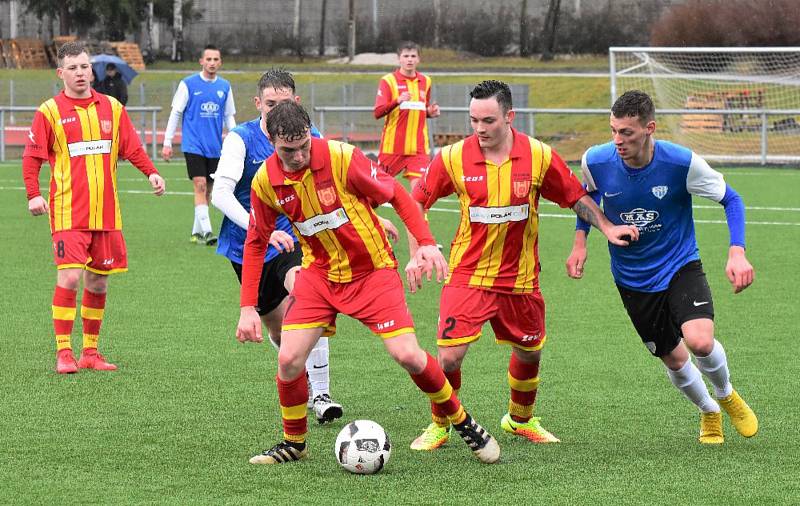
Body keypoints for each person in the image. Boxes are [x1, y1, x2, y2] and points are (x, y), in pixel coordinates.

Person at [235, 101, 500, 465]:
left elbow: (398, 195)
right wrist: (247, 307)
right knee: (289, 359)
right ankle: (294, 444)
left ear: (311, 134)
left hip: (372, 271)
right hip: (320, 276)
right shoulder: (266, 181)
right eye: (287, 150)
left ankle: (461, 419)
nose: (298, 156)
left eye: (303, 147)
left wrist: (424, 242)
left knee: (406, 354)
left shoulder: (342, 158)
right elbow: (255, 241)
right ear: (270, 140)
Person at [406, 80, 638, 450]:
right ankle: (441, 423)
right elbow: (415, 201)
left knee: (530, 351)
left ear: (509, 117)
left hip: (521, 279)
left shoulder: (539, 156)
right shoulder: (452, 158)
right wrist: (420, 246)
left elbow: (574, 196)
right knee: (448, 357)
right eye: (473, 121)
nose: (479, 129)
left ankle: (520, 419)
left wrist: (607, 227)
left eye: (488, 121)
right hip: (468, 275)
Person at [565, 90, 758, 444]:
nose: (618, 141)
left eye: (627, 133)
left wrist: (737, 251)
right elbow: (587, 196)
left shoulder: (681, 163)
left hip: (679, 263)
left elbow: (732, 198)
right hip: (632, 277)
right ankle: (708, 411)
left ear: (650, 128)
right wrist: (581, 242)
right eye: (613, 131)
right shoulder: (595, 160)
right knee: (672, 357)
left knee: (700, 341)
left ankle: (726, 394)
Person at [212, 69, 365, 424]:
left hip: (297, 237)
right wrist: (259, 229)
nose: (277, 111)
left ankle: (322, 394)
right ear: (257, 104)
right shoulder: (241, 139)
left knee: (306, 295)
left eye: (284, 103)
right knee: (277, 328)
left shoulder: (309, 136)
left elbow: (336, 182)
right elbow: (220, 193)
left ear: (296, 102)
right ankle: (302, 378)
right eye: (270, 104)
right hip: (247, 244)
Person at [22, 41, 166, 374]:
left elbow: (132, 148)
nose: (80, 73)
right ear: (61, 74)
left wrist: (152, 173)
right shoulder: (49, 111)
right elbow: (32, 158)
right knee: (70, 277)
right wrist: (33, 193)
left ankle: (90, 352)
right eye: (72, 68)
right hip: (67, 212)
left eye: (84, 67)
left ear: (92, 70)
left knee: (98, 283)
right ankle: (64, 352)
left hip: (107, 214)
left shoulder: (112, 108)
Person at [162, 44, 236, 246]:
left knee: (209, 192)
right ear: (201, 61)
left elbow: (229, 117)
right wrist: (167, 142)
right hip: (193, 145)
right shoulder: (188, 84)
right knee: (200, 186)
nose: (212, 63)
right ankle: (208, 232)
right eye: (208, 59)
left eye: (215, 59)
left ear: (220, 63)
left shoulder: (224, 87)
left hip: (215, 148)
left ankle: (196, 232)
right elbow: (176, 113)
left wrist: (238, 139)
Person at [373, 41, 440, 186]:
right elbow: (377, 112)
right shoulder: (388, 81)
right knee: (376, 194)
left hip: (418, 149)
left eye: (413, 56)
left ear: (418, 59)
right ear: (399, 58)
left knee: (419, 194)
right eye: (406, 56)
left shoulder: (426, 81)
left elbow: (422, 109)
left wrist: (430, 112)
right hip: (392, 149)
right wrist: (397, 100)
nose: (409, 59)